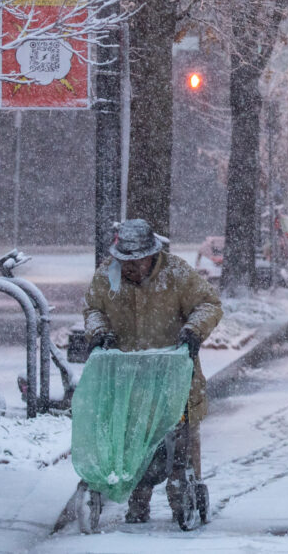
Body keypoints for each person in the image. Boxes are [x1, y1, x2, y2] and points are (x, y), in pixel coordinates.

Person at [84, 218, 223, 523]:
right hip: (129, 377)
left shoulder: (176, 273)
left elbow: (209, 304)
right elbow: (93, 309)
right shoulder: (108, 274)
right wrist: (99, 332)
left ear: (151, 255)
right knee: (135, 445)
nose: (130, 268)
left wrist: (192, 330)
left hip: (173, 374)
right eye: (124, 262)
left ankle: (180, 498)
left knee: (179, 445)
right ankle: (137, 503)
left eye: (136, 262)